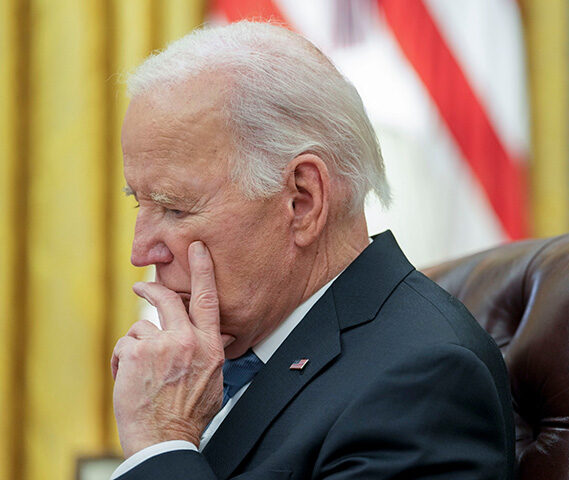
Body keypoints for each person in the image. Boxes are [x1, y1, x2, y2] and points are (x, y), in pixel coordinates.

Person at [109, 21, 515, 480]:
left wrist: (163, 443)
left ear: (302, 201)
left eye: (175, 208)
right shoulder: (218, 364)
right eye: (139, 203)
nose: (141, 252)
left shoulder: (423, 379)